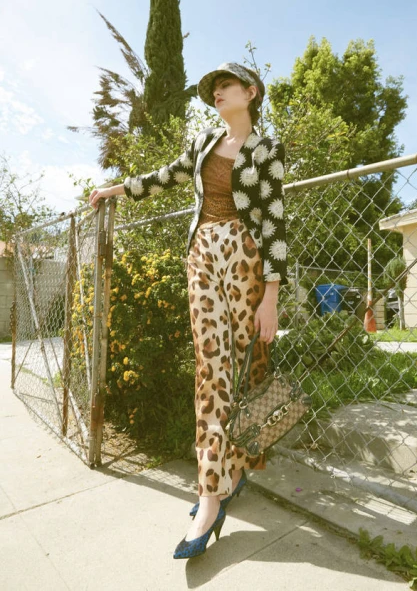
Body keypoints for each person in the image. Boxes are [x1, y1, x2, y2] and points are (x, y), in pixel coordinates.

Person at [89, 62, 288, 559]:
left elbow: (274, 221)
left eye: (226, 85)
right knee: (210, 370)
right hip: (202, 254)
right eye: (214, 88)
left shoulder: (267, 149)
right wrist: (115, 189)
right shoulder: (203, 142)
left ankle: (235, 468)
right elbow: (165, 177)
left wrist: (271, 295)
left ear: (251, 92)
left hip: (245, 257)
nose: (217, 93)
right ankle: (210, 496)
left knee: (251, 364)